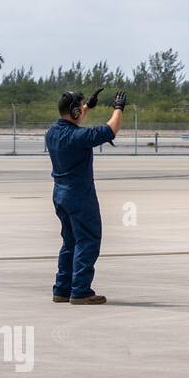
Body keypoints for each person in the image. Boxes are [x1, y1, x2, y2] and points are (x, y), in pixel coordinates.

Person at [45, 88, 127, 304]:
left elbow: (72, 122)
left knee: (69, 242)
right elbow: (111, 130)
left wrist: (87, 107)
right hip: (79, 196)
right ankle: (80, 290)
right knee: (88, 239)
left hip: (60, 195)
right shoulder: (79, 137)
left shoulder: (52, 132)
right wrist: (118, 108)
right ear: (73, 113)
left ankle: (62, 289)